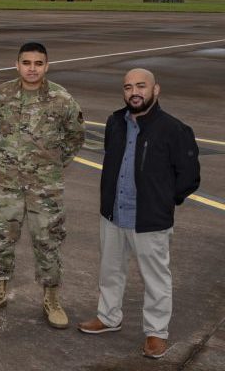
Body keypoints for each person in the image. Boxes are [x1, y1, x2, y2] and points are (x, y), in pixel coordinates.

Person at [77, 69, 200, 359]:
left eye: (141, 86)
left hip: (149, 219)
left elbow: (188, 177)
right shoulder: (114, 123)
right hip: (113, 214)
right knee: (110, 271)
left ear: (155, 89)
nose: (135, 91)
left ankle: (156, 332)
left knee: (156, 277)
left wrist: (162, 201)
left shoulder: (174, 129)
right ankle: (108, 317)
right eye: (128, 86)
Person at [0, 41, 85, 328]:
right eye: (27, 63)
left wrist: (53, 165)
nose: (32, 68)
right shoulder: (1, 95)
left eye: (38, 63)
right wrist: (6, 158)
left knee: (48, 241)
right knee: (2, 238)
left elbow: (75, 136)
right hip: (7, 184)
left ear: (46, 66)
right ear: (17, 64)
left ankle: (52, 298)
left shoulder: (61, 99)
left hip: (44, 188)